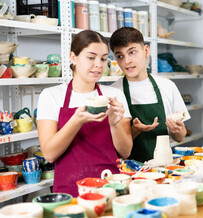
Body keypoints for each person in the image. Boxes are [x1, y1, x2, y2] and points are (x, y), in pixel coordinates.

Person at [37, 30, 133, 197]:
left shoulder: (114, 95)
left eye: (103, 58)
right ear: (73, 57)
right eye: (91, 57)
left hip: (111, 185)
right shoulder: (51, 95)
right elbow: (49, 154)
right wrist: (76, 121)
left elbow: (125, 152)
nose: (99, 65)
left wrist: (114, 124)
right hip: (71, 189)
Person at [110, 27, 190, 162]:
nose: (126, 61)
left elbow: (180, 137)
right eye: (120, 56)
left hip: (163, 167)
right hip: (128, 170)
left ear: (146, 51)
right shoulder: (113, 93)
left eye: (132, 52)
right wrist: (135, 130)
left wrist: (177, 130)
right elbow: (115, 148)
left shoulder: (167, 86)